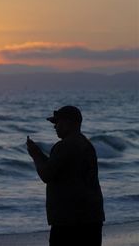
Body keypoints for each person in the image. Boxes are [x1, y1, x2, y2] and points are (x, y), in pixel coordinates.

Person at [26, 105, 105, 246]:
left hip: (69, 219)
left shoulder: (64, 146)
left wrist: (35, 155)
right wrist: (38, 153)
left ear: (69, 122)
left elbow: (46, 174)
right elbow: (56, 169)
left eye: (57, 123)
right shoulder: (86, 144)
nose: (55, 127)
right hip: (92, 216)